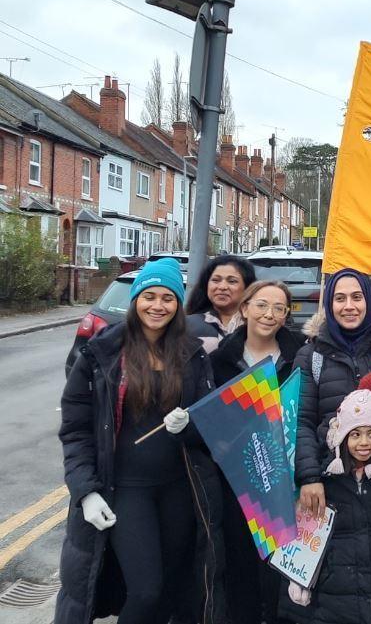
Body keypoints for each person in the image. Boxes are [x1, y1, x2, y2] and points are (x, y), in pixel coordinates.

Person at [55, 258, 227, 624]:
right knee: (145, 590)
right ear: (135, 300)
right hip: (127, 489)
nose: (158, 305)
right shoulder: (102, 353)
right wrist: (85, 491)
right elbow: (76, 428)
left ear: (179, 305)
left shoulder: (191, 353)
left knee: (170, 590)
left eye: (168, 297)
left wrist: (190, 424)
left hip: (180, 488)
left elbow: (212, 426)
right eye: (149, 296)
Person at [209, 280, 304, 624]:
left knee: (282, 576)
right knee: (241, 573)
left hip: (287, 480)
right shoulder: (220, 360)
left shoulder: (300, 356)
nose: (270, 314)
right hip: (238, 484)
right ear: (245, 308)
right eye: (262, 305)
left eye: (279, 308)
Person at [286, 374, 371, 624]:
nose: (364, 442)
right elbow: (309, 531)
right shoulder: (326, 481)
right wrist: (299, 576)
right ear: (342, 437)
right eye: (355, 435)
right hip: (336, 599)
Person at [295, 268, 371, 524]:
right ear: (329, 304)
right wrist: (309, 477)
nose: (349, 306)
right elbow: (301, 421)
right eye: (340, 299)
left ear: (369, 301)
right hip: (330, 486)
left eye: (357, 297)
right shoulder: (310, 356)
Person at [185, 254, 257, 353]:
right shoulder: (188, 325)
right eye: (216, 280)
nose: (222, 287)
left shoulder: (258, 324)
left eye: (232, 281)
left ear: (248, 287)